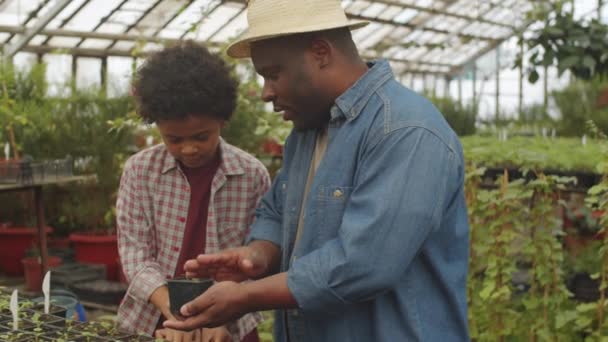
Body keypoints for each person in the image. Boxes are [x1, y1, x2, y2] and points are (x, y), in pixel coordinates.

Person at [164, 1, 470, 341]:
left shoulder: (404, 131)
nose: (266, 92)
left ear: (321, 52)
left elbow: (363, 265)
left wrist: (247, 296)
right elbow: (278, 211)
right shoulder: (307, 132)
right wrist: (258, 255)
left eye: (273, 73)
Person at [116, 41, 269, 342]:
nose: (188, 148)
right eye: (173, 139)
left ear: (222, 120)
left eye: (201, 136)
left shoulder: (251, 175)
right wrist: (177, 315)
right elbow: (134, 254)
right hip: (155, 316)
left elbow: (258, 258)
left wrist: (221, 313)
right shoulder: (140, 171)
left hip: (230, 320)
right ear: (156, 125)